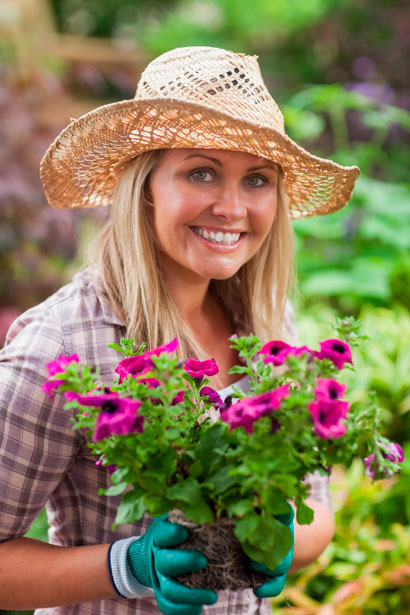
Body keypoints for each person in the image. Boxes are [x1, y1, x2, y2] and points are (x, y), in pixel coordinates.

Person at [0, 46, 360, 615]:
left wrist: (288, 543)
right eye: (201, 172)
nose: (232, 207)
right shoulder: (61, 345)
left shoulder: (268, 325)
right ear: (143, 185)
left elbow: (317, 507)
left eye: (257, 180)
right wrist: (127, 567)